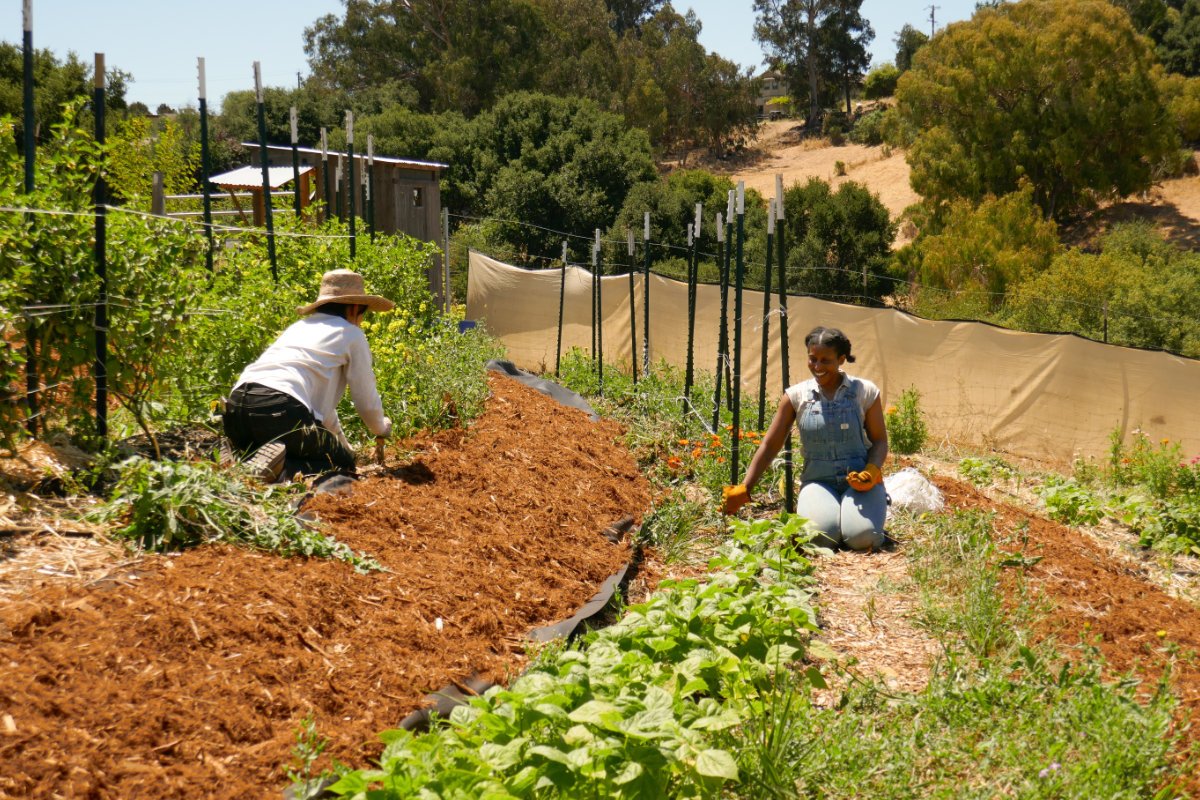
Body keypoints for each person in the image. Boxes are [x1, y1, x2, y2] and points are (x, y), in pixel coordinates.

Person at [722, 326, 889, 550]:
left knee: (863, 539)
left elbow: (880, 441)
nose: (817, 367)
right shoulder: (796, 396)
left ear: (841, 360)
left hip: (862, 483)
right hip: (819, 483)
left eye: (825, 360)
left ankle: (858, 517)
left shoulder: (864, 391)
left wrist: (871, 471)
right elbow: (771, 444)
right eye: (812, 359)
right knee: (819, 539)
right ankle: (834, 518)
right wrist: (746, 487)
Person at [222, 269, 394, 477]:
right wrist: (380, 429)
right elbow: (365, 400)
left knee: (277, 444)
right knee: (341, 465)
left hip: (236, 408)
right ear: (354, 308)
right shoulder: (351, 334)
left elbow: (323, 415)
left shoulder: (299, 328)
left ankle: (241, 460)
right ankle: (282, 468)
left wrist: (344, 447)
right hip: (280, 408)